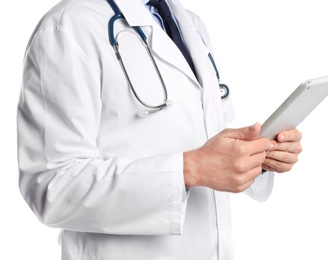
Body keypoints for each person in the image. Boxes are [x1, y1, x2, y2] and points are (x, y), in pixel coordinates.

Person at [17, 0, 302, 259]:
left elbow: (199, 134)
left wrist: (256, 154)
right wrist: (190, 170)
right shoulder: (68, 27)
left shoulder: (188, 23)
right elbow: (51, 186)